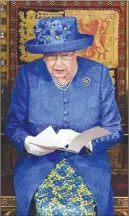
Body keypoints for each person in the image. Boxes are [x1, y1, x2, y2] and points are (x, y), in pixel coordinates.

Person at [4, 16, 123, 216]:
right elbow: (13, 126)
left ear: (76, 52)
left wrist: (83, 140)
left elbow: (113, 128)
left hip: (89, 167)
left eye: (66, 56)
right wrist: (28, 143)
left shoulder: (98, 74)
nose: (58, 64)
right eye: (50, 57)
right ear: (43, 56)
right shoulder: (28, 75)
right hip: (38, 167)